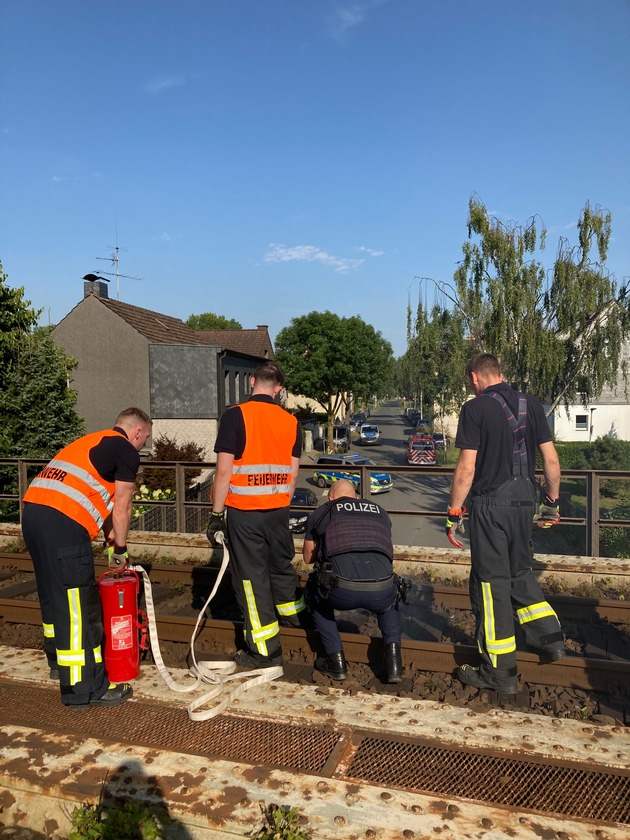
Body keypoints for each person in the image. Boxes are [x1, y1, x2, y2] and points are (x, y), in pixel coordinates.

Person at [447, 353, 565, 694]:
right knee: (520, 572)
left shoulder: (474, 409)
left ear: (474, 378)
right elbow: (551, 461)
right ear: (500, 373)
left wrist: (454, 513)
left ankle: (500, 672)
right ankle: (551, 641)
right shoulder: (533, 404)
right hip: (525, 501)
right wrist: (552, 503)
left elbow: (466, 470)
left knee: (491, 584)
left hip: (490, 505)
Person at [21, 407, 153, 708]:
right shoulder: (127, 452)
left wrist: (108, 534)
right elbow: (122, 505)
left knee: (53, 595)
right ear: (136, 432)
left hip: (34, 515)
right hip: (64, 524)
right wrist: (120, 549)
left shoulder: (92, 441)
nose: (142, 446)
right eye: (144, 440)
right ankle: (86, 688)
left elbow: (92, 493)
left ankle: (59, 664)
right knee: (79, 605)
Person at [207, 362, 308, 668]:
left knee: (251, 581)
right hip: (278, 512)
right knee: (279, 568)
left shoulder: (235, 416)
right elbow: (292, 475)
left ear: (252, 381)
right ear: (278, 389)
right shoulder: (292, 423)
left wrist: (216, 515)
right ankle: (297, 621)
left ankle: (265, 652)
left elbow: (223, 472)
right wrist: (280, 504)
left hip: (245, 514)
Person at [303, 479, 402, 683]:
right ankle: (394, 664)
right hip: (381, 591)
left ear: (330, 498)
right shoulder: (379, 511)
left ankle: (335, 661)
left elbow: (308, 558)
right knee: (392, 600)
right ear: (356, 498)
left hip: (340, 593)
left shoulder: (323, 511)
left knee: (313, 592)